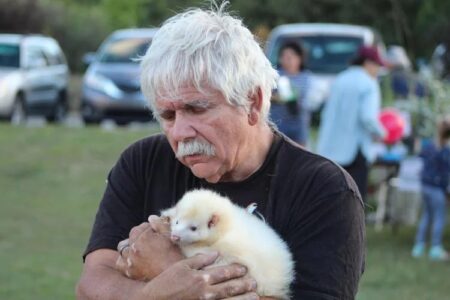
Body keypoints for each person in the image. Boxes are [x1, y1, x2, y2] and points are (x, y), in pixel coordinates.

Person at [76, 4, 365, 299]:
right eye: (168, 116)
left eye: (196, 108)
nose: (180, 132)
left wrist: (170, 267)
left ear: (252, 102)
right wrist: (155, 293)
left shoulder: (325, 190)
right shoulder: (143, 163)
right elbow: (91, 286)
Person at [316, 46, 387, 201]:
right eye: (377, 65)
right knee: (354, 197)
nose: (378, 70)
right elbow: (368, 117)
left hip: (332, 149)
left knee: (332, 195)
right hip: (355, 150)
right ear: (368, 63)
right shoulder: (369, 84)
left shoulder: (340, 78)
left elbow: (327, 113)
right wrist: (383, 133)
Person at [412, 117, 450, 261]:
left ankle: (419, 247)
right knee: (439, 218)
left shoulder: (429, 146)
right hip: (437, 189)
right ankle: (435, 248)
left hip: (425, 186)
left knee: (426, 216)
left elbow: (420, 157)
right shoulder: (446, 151)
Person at [270, 42, 312, 146]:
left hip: (299, 129)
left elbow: (306, 99)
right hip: (277, 129)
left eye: (291, 57)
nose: (287, 60)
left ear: (300, 58)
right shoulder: (274, 75)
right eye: (283, 56)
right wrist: (277, 98)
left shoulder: (306, 77)